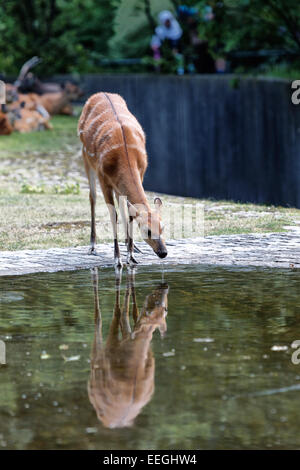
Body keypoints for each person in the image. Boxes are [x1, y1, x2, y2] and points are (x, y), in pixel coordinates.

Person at [150, 10, 184, 75]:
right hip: (166, 48)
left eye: (168, 21)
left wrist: (174, 49)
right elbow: (156, 40)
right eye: (166, 21)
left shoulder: (175, 27)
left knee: (177, 55)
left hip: (175, 45)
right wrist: (155, 46)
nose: (167, 23)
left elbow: (176, 38)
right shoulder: (160, 29)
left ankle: (180, 70)